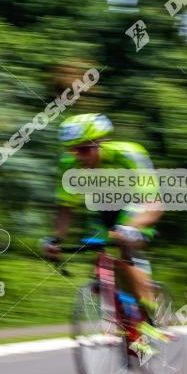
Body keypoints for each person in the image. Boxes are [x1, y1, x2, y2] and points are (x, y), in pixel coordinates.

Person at [43, 113, 167, 353]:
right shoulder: (70, 165)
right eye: (72, 150)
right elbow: (65, 208)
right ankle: (121, 315)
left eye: (84, 150)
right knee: (99, 252)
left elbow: (154, 203)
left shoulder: (129, 154)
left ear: (100, 143)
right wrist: (55, 239)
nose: (79, 156)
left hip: (139, 204)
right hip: (104, 208)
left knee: (124, 249)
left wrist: (133, 228)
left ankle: (148, 313)